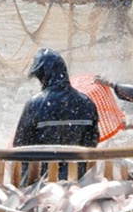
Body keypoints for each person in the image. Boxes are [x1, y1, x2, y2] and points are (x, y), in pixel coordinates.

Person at [13, 48, 100, 181]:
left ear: (44, 75)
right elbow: (92, 142)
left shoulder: (34, 104)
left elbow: (19, 148)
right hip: (79, 182)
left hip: (40, 183)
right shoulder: (87, 103)